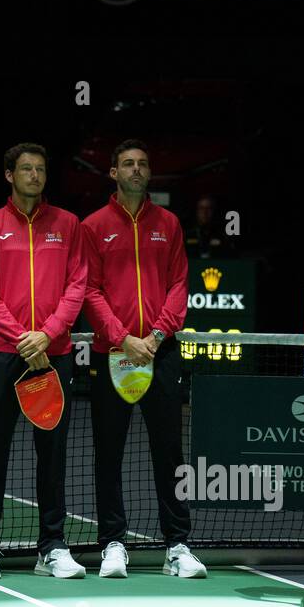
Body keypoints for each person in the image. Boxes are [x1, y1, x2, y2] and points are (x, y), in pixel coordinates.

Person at [82, 139, 206, 579]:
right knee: (108, 452)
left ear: (149, 172)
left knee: (169, 449)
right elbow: (90, 289)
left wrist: (153, 336)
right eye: (128, 164)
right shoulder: (93, 226)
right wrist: (121, 337)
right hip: (112, 354)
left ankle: (178, 545)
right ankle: (113, 543)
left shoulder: (168, 223)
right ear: (113, 173)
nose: (136, 170)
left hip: (160, 352)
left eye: (142, 164)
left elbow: (178, 284)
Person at [0, 142, 88, 578]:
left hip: (54, 357)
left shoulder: (70, 225)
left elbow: (77, 285)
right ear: (9, 175)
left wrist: (48, 334)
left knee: (52, 454)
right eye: (26, 169)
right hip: (7, 354)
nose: (34, 175)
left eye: (40, 169)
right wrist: (23, 338)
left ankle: (52, 547)